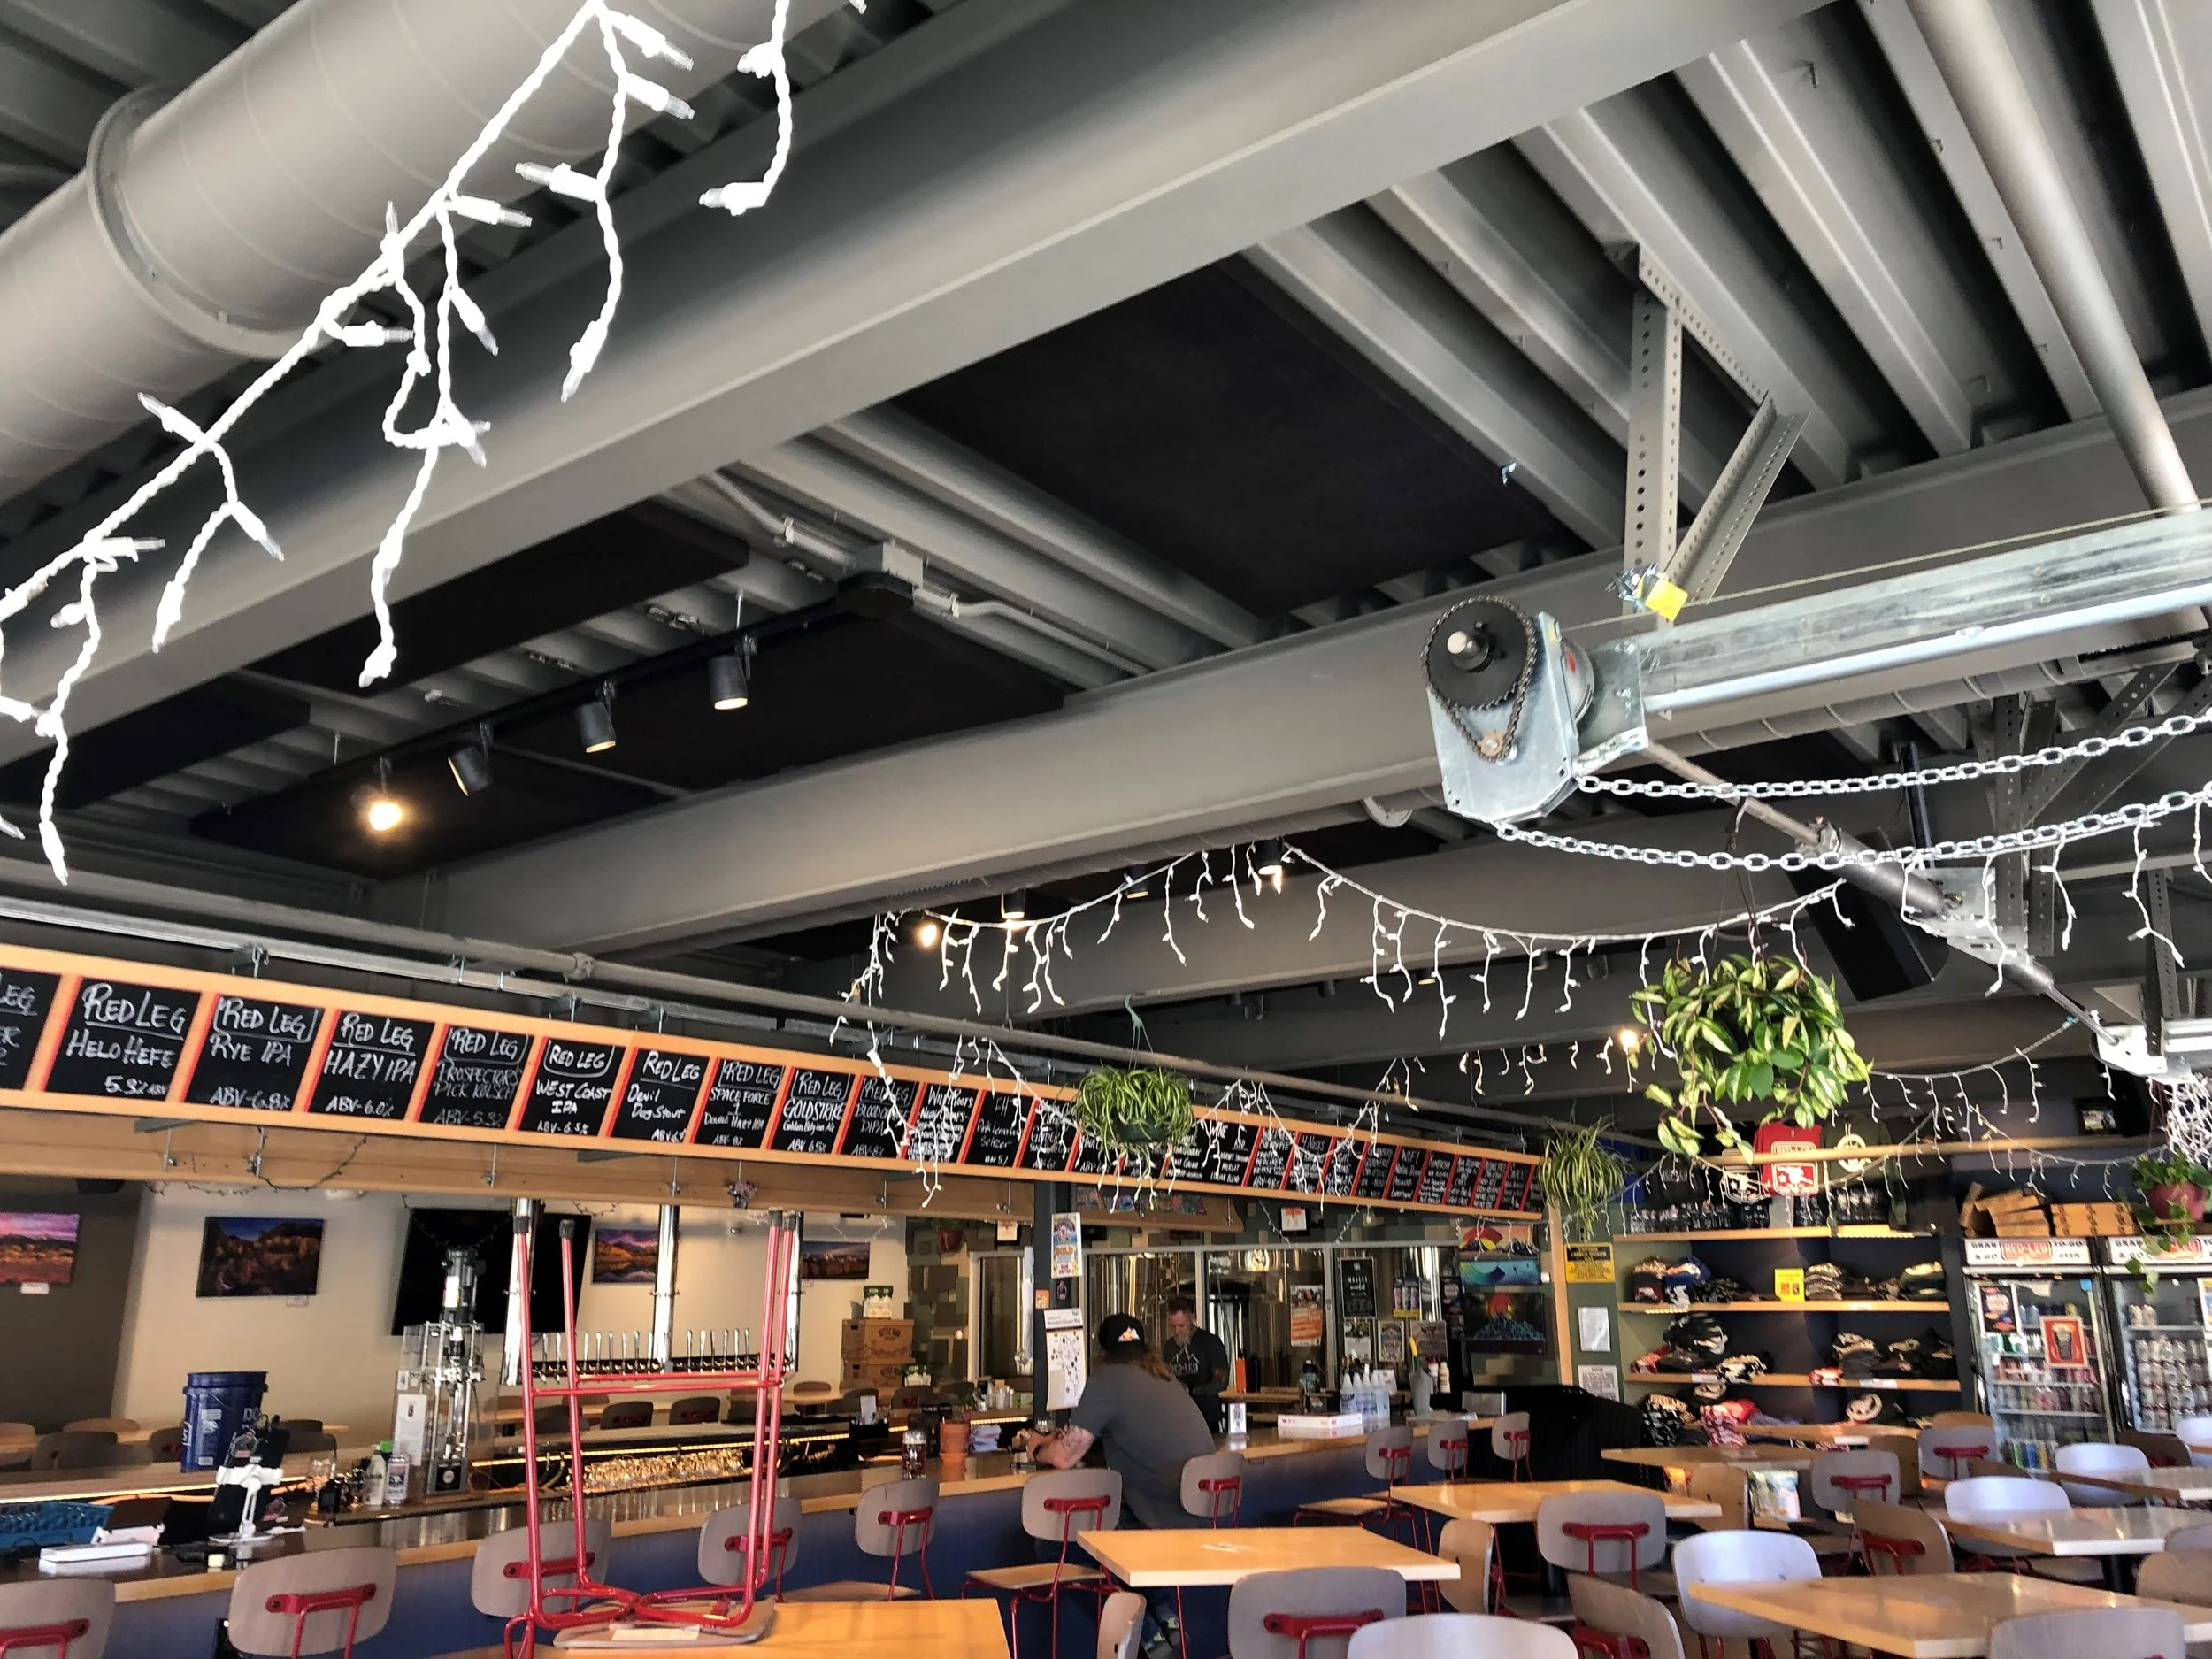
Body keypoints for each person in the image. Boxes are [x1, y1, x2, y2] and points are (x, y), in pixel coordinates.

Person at [1025, 1314, 1214, 1658]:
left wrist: (1038, 1446)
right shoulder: (1163, 1375)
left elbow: (1066, 1456)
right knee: (1116, 1530)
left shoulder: (1107, 1379)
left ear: (1103, 1352)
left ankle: (1139, 1637)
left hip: (1158, 1514)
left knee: (1054, 1544)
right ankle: (1163, 1622)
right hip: (1197, 1508)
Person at [1162, 1294, 1231, 1432]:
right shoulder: (1169, 1346)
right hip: (1176, 1418)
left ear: (1193, 1318)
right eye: (1173, 1326)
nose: (1178, 1331)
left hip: (1206, 1417)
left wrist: (1192, 1390)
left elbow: (1222, 1381)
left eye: (1182, 1325)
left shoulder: (1210, 1343)